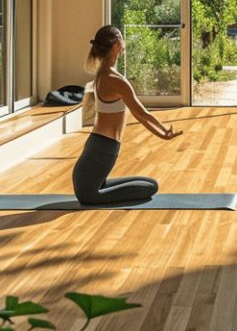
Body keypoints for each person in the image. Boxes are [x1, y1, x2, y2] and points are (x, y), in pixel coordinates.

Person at [74, 25, 182, 204]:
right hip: (94, 175)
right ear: (116, 45)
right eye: (122, 40)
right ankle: (94, 192)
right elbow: (141, 113)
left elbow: (141, 114)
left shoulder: (104, 74)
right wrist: (164, 133)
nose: (124, 44)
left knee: (149, 183)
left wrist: (163, 134)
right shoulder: (114, 80)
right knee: (151, 188)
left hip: (98, 149)